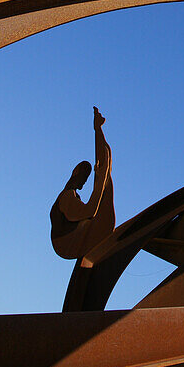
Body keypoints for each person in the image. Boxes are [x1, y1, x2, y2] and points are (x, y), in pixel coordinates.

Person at [50, 107, 115, 260]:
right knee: (103, 176)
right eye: (83, 177)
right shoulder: (67, 196)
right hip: (66, 244)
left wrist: (98, 130)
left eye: (86, 179)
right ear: (75, 175)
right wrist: (100, 179)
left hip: (73, 239)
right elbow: (91, 211)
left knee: (105, 170)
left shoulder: (72, 196)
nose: (84, 182)